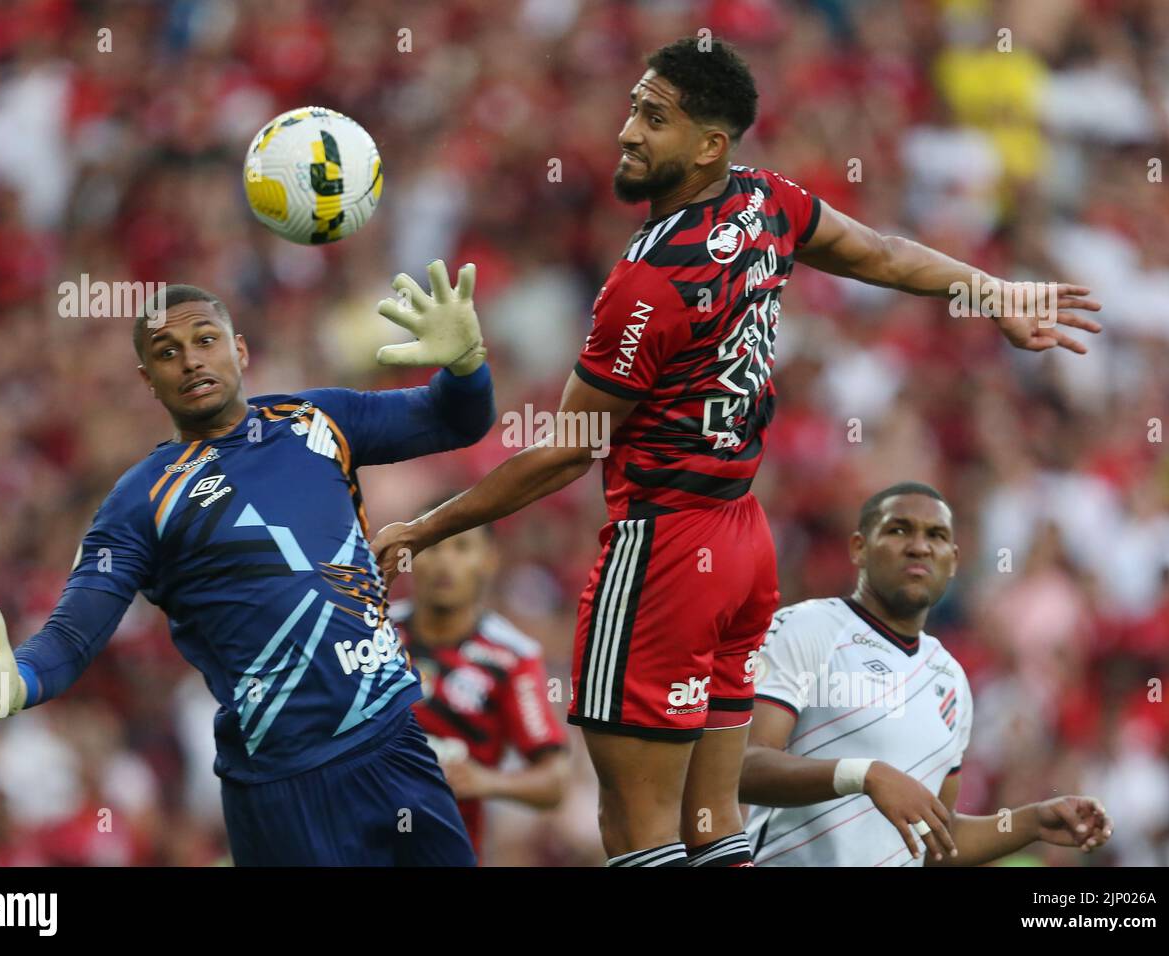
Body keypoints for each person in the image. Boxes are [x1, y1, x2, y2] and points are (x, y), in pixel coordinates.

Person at [371, 38, 1101, 868]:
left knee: (637, 833)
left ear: (709, 145)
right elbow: (884, 254)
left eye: (654, 118)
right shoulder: (766, 202)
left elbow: (569, 451)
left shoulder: (645, 282)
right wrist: (993, 290)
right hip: (743, 545)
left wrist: (425, 525)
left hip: (666, 552)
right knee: (712, 828)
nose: (627, 132)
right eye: (632, 109)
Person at [0, 261, 494, 866]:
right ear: (148, 380)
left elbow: (457, 418)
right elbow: (74, 633)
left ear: (239, 350)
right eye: (168, 352)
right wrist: (22, 678)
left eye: (205, 340)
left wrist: (466, 364)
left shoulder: (316, 419)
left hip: (394, 740)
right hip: (282, 786)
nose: (190, 360)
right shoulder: (141, 501)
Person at [740, 482, 1114, 866]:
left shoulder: (950, 677)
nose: (919, 546)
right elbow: (744, 766)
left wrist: (1031, 822)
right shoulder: (808, 627)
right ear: (859, 548)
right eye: (898, 529)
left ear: (952, 560)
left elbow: (938, 838)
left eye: (935, 536)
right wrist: (864, 775)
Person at [391, 517, 570, 862]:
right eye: (433, 548)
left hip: (445, 851)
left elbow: (555, 781)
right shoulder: (371, 636)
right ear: (410, 557)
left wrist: (483, 781)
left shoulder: (512, 657)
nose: (445, 562)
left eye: (461, 548)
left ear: (489, 559)